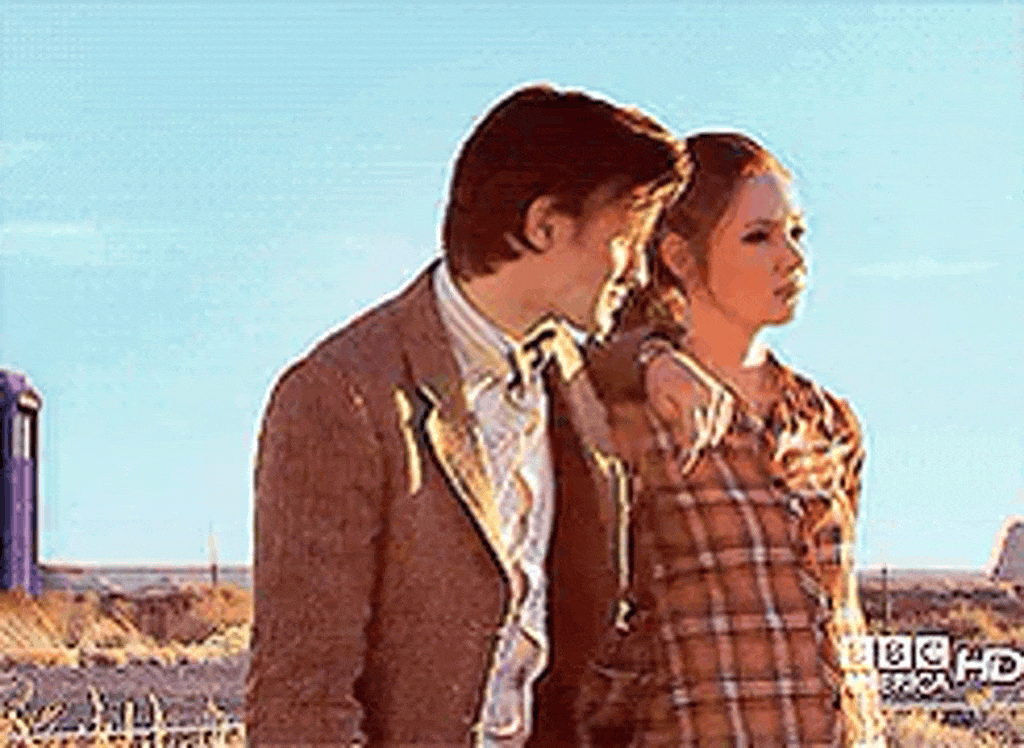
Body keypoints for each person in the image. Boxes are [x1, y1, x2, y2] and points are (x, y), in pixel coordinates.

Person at [245, 83, 687, 747]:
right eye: (627, 237)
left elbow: (630, 343)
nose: (640, 269)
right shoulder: (342, 397)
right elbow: (302, 699)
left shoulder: (571, 371)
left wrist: (658, 359)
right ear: (544, 226)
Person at [579, 132, 885, 747]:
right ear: (679, 256)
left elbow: (842, 616)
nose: (792, 259)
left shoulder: (829, 421)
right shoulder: (625, 410)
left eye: (797, 232)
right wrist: (643, 359)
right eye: (758, 237)